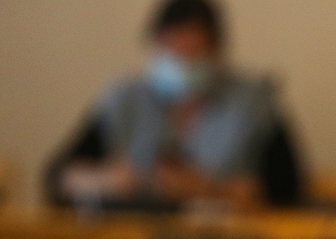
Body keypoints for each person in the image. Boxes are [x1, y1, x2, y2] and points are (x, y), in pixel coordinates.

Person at [45, 0, 304, 211]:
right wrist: (108, 181)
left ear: (217, 51)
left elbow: (288, 190)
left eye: (194, 54)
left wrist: (211, 189)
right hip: (128, 237)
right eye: (173, 49)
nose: (182, 63)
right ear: (155, 45)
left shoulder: (252, 104)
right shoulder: (125, 99)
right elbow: (57, 176)